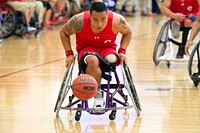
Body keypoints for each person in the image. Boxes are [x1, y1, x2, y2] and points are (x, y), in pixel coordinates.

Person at [60, 2, 132, 108]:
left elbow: (128, 33)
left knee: (112, 58)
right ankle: (98, 94)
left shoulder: (116, 20)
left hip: (107, 49)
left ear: (107, 15)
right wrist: (69, 54)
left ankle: (98, 84)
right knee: (93, 60)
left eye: (103, 19)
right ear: (90, 16)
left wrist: (122, 51)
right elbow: (63, 32)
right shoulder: (79, 20)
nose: (100, 24)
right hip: (86, 50)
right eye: (95, 20)